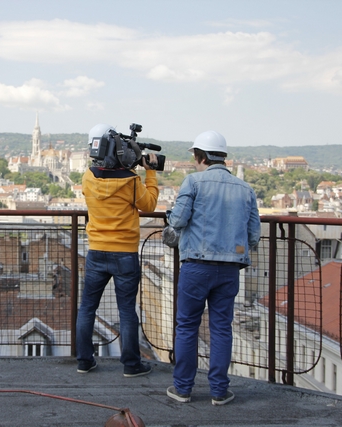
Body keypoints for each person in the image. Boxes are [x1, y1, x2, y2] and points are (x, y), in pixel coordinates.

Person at [165, 130, 261, 405]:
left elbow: (179, 220)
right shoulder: (245, 189)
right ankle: (219, 391)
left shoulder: (192, 182)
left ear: (200, 156)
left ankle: (183, 388)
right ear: (223, 157)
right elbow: (254, 235)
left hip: (196, 265)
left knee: (187, 326)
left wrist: (171, 216)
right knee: (221, 328)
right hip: (230, 269)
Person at [76, 123, 159, 377]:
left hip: (97, 251)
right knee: (126, 310)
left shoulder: (88, 177)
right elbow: (150, 205)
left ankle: (84, 360)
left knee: (88, 307)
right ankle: (131, 365)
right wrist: (151, 173)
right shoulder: (131, 181)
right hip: (125, 253)